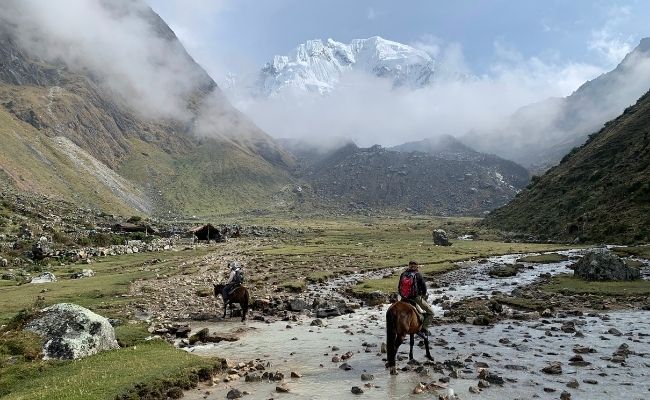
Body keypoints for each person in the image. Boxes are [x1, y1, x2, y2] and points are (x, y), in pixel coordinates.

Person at [398, 260, 434, 333]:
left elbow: (399, 286)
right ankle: (424, 328)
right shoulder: (418, 275)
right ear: (417, 266)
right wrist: (423, 295)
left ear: (408, 266)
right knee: (431, 313)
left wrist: (402, 295)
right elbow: (424, 288)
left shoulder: (403, 274)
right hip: (415, 298)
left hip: (404, 298)